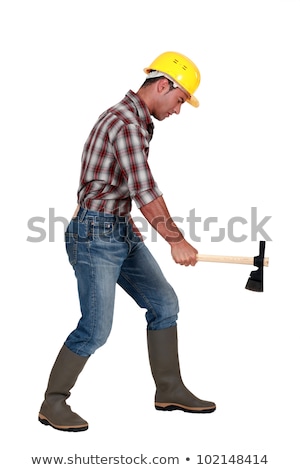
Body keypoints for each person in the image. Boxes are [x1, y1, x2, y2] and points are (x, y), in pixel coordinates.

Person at [38, 51, 216, 432]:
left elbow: (118, 187)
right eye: (181, 100)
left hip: (118, 228)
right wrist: (176, 240)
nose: (179, 110)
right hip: (94, 235)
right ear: (163, 85)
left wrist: (130, 225)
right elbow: (145, 190)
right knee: (96, 328)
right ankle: (53, 403)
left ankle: (169, 388)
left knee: (164, 304)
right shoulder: (126, 123)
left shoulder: (135, 120)